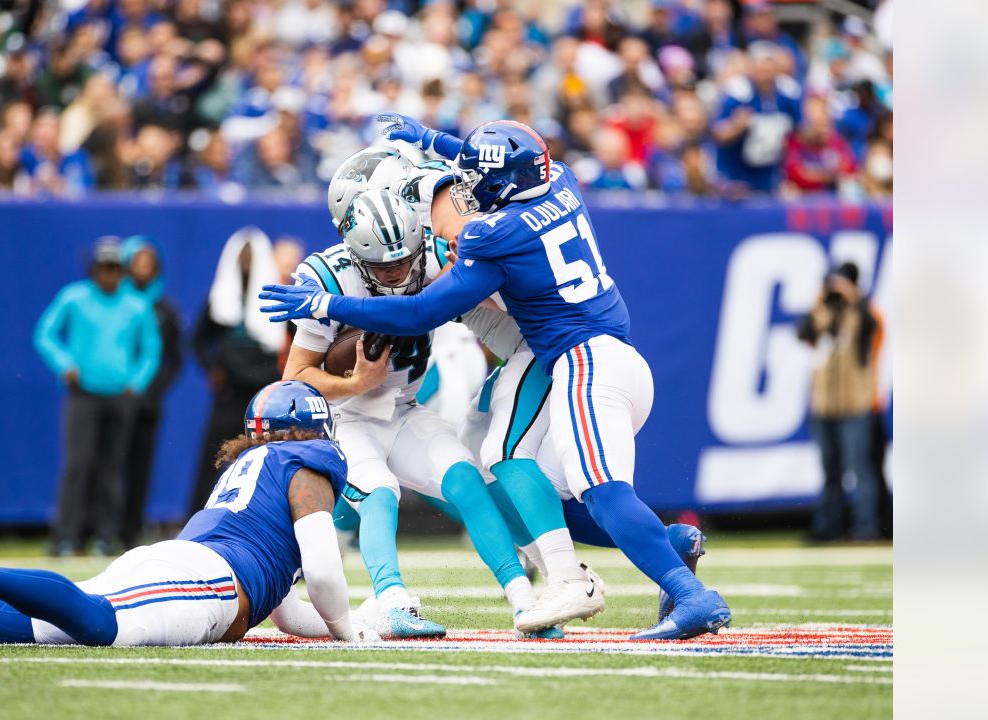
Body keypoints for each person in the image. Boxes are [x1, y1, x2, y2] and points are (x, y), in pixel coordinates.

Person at [261, 115, 734, 640]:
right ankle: (669, 547)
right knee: (519, 488)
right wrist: (430, 140)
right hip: (598, 356)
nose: (463, 194)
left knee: (540, 469)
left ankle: (582, 580)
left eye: (471, 185)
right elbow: (488, 165)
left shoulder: (490, 234)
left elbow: (418, 312)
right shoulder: (561, 180)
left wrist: (325, 303)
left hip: (578, 363)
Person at [0, 382, 376, 647]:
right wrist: (353, 637)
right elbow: (324, 571)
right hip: (206, 580)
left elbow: (291, 612)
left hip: (187, 566)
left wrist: (346, 625)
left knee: (28, 631)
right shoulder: (307, 462)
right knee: (101, 627)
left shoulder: (255, 475)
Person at [286, 185, 550, 638]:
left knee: (468, 479)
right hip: (345, 419)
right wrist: (355, 383)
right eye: (384, 266)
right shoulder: (330, 278)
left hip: (405, 411)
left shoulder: (432, 258)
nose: (397, 272)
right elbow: (296, 377)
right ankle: (391, 601)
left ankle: (527, 604)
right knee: (380, 492)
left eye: (404, 260)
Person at [34, 237, 163, 556]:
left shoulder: (136, 304)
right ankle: (65, 536)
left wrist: (138, 380)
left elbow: (151, 349)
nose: (109, 275)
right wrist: (64, 364)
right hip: (83, 394)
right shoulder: (75, 298)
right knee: (78, 464)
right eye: (104, 268)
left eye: (115, 268)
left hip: (120, 395)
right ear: (93, 269)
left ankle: (106, 535)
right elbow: (45, 333)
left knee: (111, 468)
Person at [189, 227, 285, 519]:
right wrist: (213, 370)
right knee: (216, 456)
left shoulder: (274, 296)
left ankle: (263, 519)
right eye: (241, 256)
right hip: (230, 391)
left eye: (251, 256)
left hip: (264, 393)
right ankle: (201, 516)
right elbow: (197, 339)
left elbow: (293, 336)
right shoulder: (220, 298)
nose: (245, 262)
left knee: (265, 457)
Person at [797, 262, 883, 542]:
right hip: (824, 405)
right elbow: (803, 333)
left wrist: (853, 299)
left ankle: (866, 527)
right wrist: (818, 303)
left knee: (861, 470)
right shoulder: (823, 313)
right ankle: (828, 527)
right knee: (829, 472)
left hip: (855, 405)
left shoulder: (865, 313)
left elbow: (871, 328)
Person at [119, 236, 184, 547]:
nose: (143, 270)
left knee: (140, 467)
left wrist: (150, 390)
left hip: (146, 403)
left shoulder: (165, 310)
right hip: (110, 400)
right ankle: (101, 528)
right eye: (137, 263)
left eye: (149, 264)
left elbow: (174, 359)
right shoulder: (114, 303)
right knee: (105, 465)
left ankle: (130, 529)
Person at [711, 41, 802, 195]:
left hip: (771, 178)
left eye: (769, 69)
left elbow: (801, 131)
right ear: (752, 68)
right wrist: (736, 126)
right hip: (737, 179)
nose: (766, 75)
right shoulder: (737, 92)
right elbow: (718, 134)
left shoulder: (788, 91)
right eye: (761, 69)